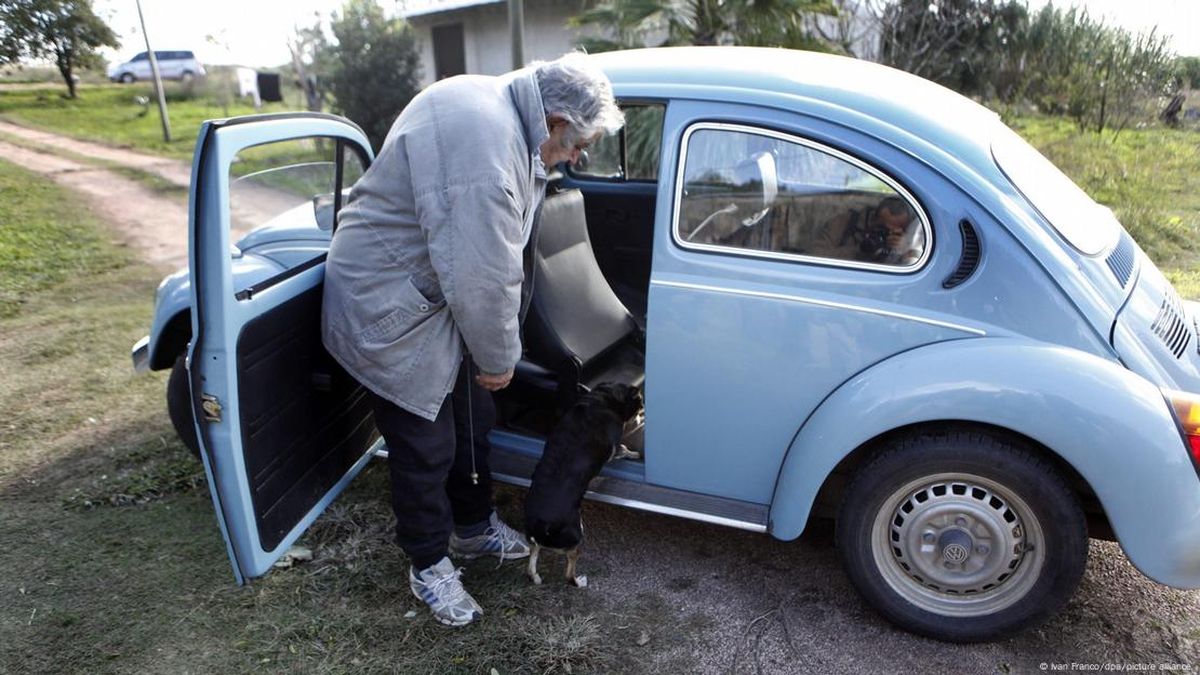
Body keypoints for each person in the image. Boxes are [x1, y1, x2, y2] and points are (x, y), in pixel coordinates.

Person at [321, 53, 623, 627]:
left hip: (437, 300)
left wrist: (491, 354)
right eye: (578, 143)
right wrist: (498, 357)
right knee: (425, 443)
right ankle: (429, 563)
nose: (578, 157)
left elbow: (489, 266)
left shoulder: (512, 119)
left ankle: (472, 529)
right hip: (392, 310)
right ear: (555, 119)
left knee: (474, 418)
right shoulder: (484, 150)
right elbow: (482, 277)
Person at [808, 194, 923, 265]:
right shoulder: (845, 222)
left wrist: (900, 251)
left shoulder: (906, 242)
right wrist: (860, 250)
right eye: (881, 228)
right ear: (874, 217)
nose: (885, 235)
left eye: (892, 232)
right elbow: (814, 255)